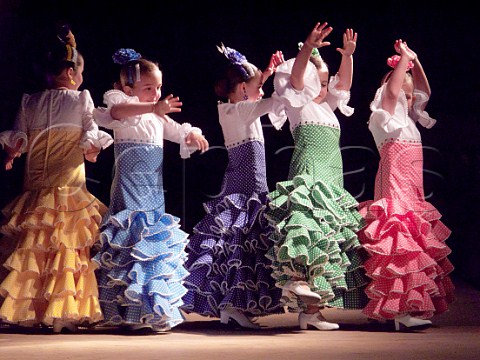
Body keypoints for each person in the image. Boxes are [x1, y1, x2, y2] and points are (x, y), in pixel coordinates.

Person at [0, 24, 113, 333]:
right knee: (63, 249)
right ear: (72, 73)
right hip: (60, 187)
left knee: (36, 248)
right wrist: (91, 149)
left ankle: (34, 310)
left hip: (45, 185)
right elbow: (90, 131)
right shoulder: (76, 100)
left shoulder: (32, 102)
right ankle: (60, 311)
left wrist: (11, 155)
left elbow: (18, 139)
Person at [92, 48, 209, 333]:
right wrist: (151, 108)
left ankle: (146, 310)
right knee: (130, 237)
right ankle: (122, 309)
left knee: (150, 242)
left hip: (153, 189)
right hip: (129, 186)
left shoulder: (156, 114)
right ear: (128, 87)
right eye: (148, 88)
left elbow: (176, 129)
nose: (156, 94)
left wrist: (192, 134)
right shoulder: (122, 103)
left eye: (158, 87)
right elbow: (115, 113)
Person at [265, 22, 369, 331]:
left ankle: (312, 311)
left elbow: (345, 85)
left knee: (325, 241)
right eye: (319, 82)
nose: (324, 88)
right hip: (310, 171)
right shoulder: (300, 104)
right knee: (305, 228)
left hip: (332, 176)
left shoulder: (330, 108)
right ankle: (295, 281)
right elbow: (296, 79)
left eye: (325, 82)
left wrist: (347, 55)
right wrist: (308, 49)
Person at [181, 44, 286, 329]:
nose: (261, 89)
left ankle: (235, 305)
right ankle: (231, 304)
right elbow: (272, 102)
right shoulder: (238, 111)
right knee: (239, 244)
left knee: (243, 247)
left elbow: (257, 95)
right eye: (257, 86)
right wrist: (287, 80)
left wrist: (265, 73)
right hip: (245, 186)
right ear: (241, 89)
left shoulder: (237, 108)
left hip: (251, 185)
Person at [357, 39, 455, 331]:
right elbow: (391, 90)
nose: (409, 99)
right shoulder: (383, 116)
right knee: (399, 247)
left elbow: (424, 91)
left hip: (412, 193)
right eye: (404, 93)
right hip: (394, 192)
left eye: (410, 96)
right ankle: (398, 312)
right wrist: (403, 61)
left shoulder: (409, 120)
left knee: (413, 248)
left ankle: (407, 308)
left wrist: (415, 59)